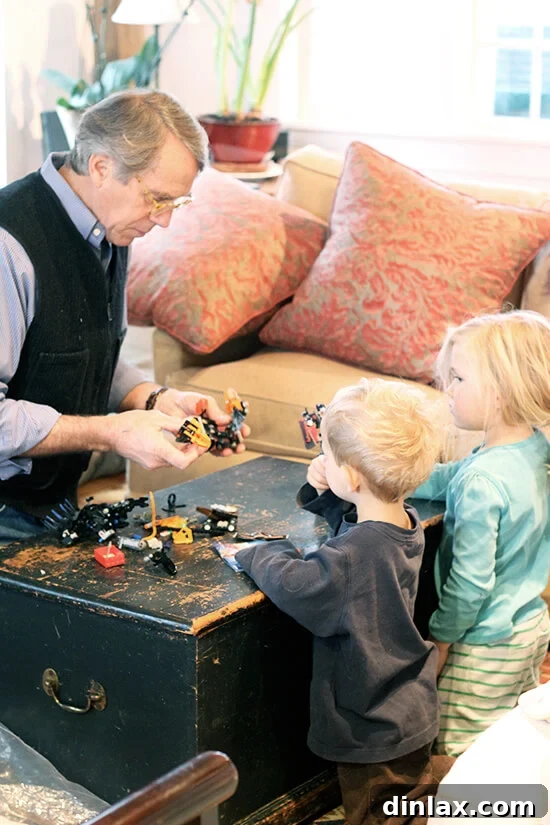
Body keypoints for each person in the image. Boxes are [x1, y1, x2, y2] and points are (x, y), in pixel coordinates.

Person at [0, 89, 248, 545]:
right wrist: (113, 432)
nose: (165, 221)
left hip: (50, 503)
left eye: (177, 203)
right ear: (100, 167)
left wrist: (155, 399)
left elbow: (74, 353)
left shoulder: (108, 230)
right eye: (158, 199)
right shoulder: (8, 246)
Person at [236, 378, 454, 825]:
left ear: (352, 475)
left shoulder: (356, 555)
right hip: (406, 697)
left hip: (370, 716)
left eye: (329, 457)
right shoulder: (403, 521)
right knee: (409, 797)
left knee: (379, 814)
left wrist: (259, 551)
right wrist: (330, 490)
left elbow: (299, 585)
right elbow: (357, 527)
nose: (321, 462)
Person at [412, 310, 550, 758]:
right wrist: (393, 475)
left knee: (461, 751)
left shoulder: (482, 484)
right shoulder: (530, 450)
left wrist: (441, 639)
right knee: (511, 737)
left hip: (482, 646)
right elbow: (451, 475)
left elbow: (470, 583)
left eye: (457, 379)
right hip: (529, 625)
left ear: (499, 391)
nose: (446, 390)